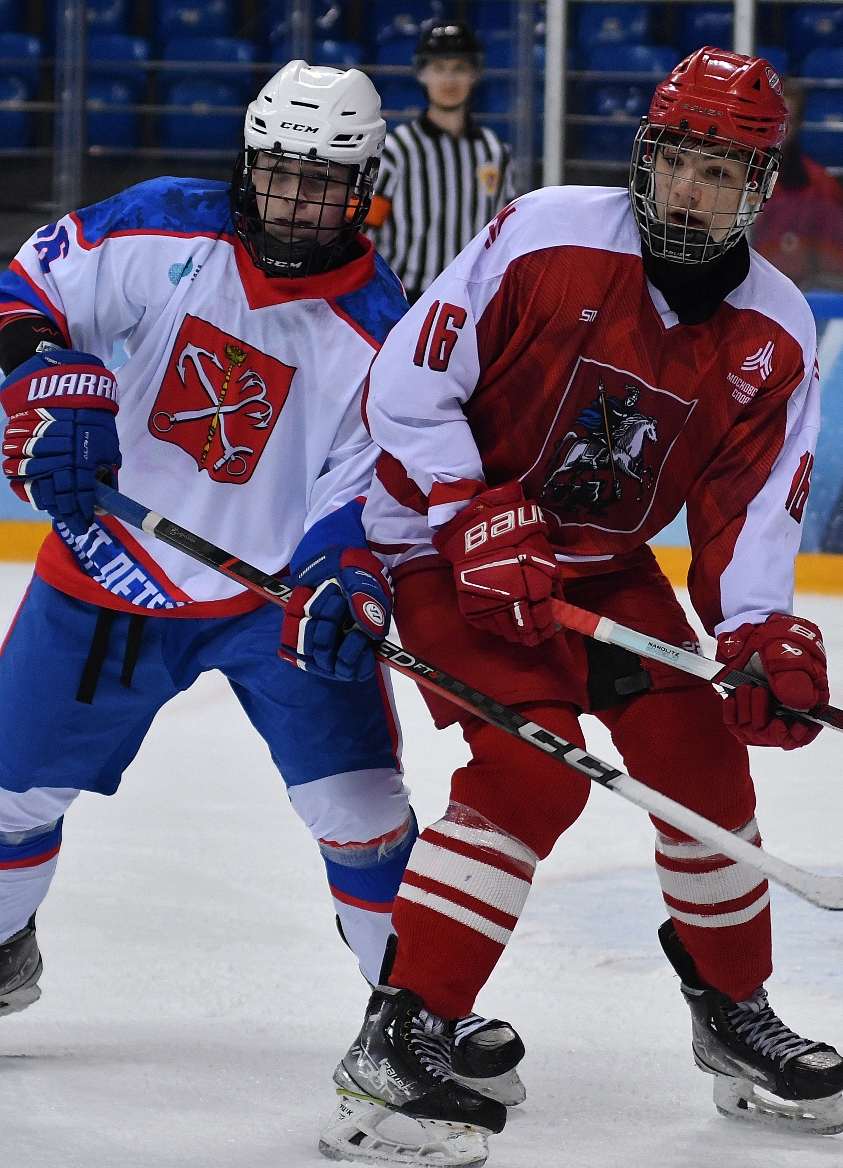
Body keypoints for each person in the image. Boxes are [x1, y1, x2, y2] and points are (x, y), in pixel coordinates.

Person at [319, 47, 843, 1168]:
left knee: (703, 764)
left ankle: (732, 1008)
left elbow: (751, 506)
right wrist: (464, 505)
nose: (690, 192)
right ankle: (399, 1034)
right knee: (534, 768)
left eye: (721, 172)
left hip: (599, 566)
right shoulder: (547, 232)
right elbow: (406, 382)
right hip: (448, 547)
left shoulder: (780, 330)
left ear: (758, 188)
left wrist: (758, 631)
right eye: (677, 163)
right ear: (645, 159)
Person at [0, 62, 527, 1091]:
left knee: (366, 814)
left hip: (276, 603)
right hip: (108, 572)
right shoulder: (162, 223)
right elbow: (25, 291)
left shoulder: (383, 331)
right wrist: (47, 384)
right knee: (7, 798)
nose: (292, 199)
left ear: (362, 188)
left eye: (319, 182)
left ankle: (414, 1015)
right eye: (278, 173)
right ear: (249, 163)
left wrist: (345, 570)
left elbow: (363, 491)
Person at [366, 21, 512, 304]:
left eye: (459, 68)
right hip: (406, 299)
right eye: (438, 68)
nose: (449, 79)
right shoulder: (397, 150)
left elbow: (503, 233)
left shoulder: (495, 152)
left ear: (474, 74)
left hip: (473, 300)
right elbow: (365, 229)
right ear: (422, 74)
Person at [750, 79, 843, 291]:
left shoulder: (820, 184)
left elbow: (839, 269)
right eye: (770, 117)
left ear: (798, 125)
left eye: (786, 120)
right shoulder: (718, 175)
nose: (777, 128)